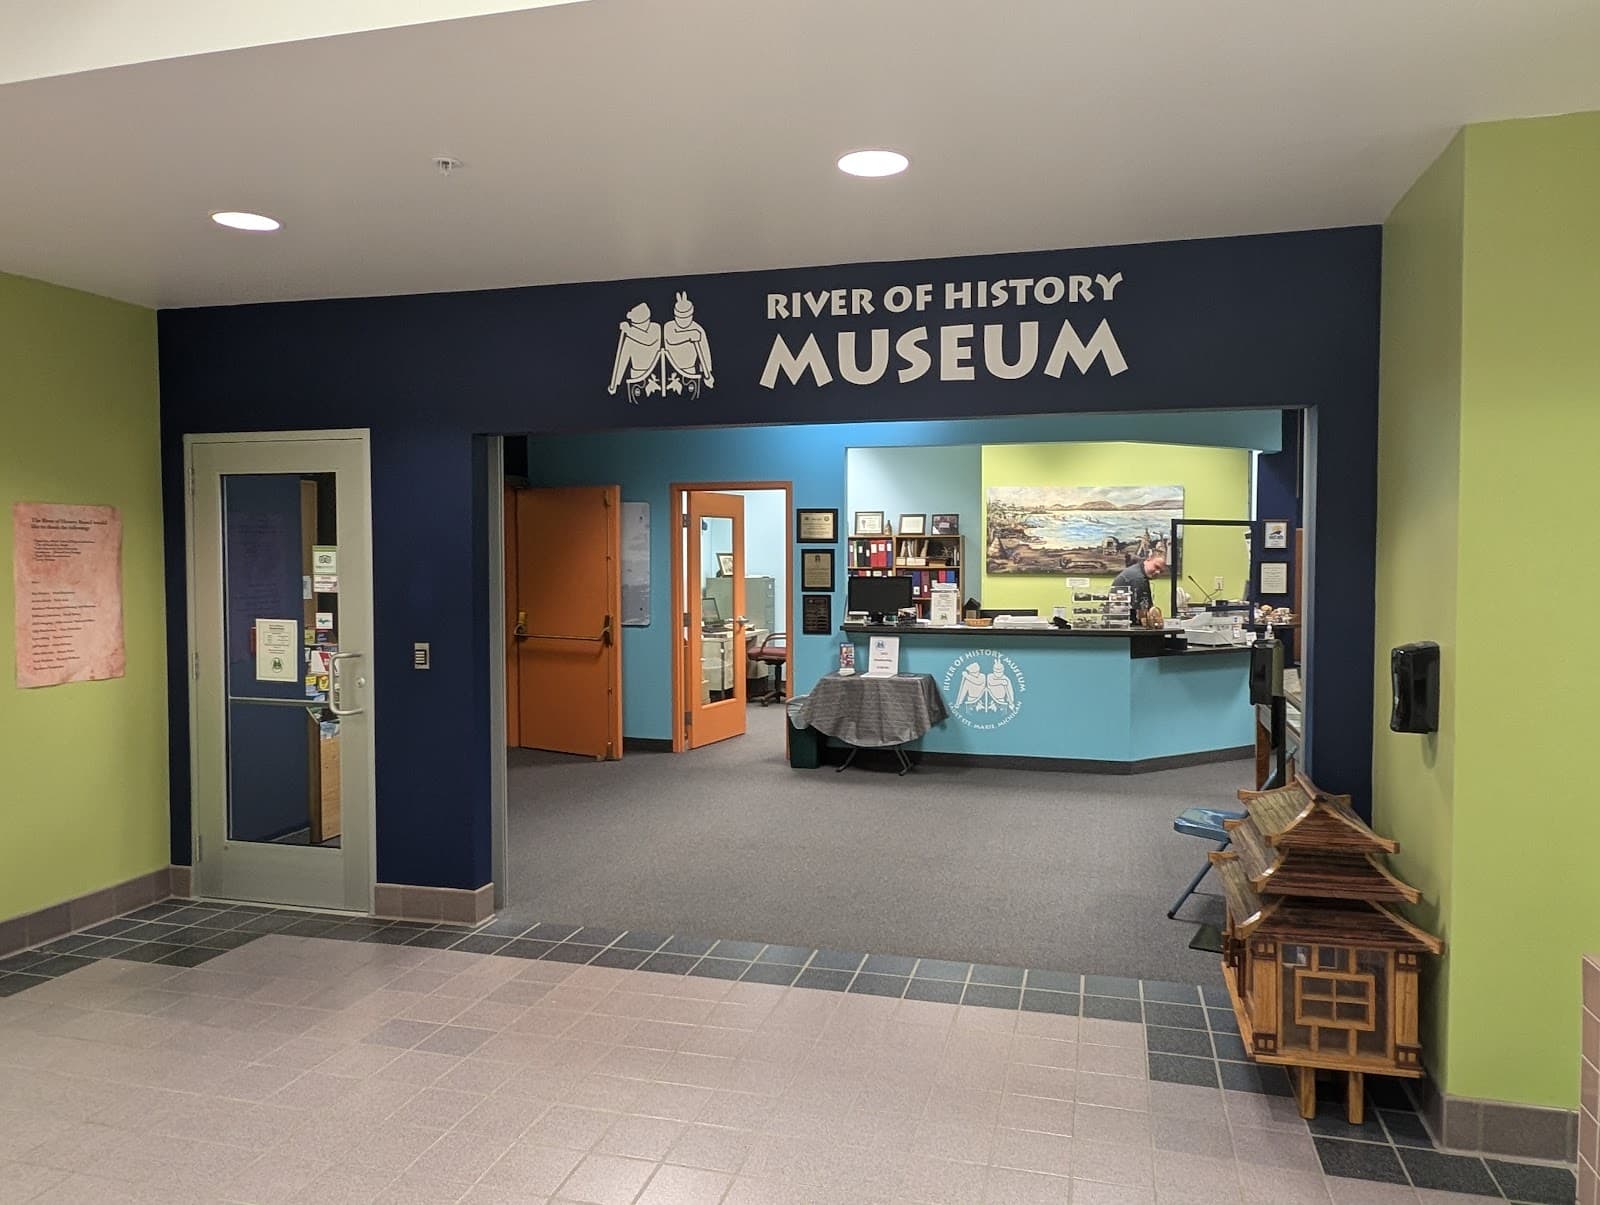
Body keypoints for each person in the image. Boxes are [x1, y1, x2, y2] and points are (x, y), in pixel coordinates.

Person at [1111, 550, 1166, 619]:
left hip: (1117, 619)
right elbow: (1142, 615)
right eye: (1156, 566)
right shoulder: (1139, 579)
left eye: (1161, 571)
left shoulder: (1137, 571)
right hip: (1122, 622)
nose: (1158, 572)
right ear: (1148, 559)